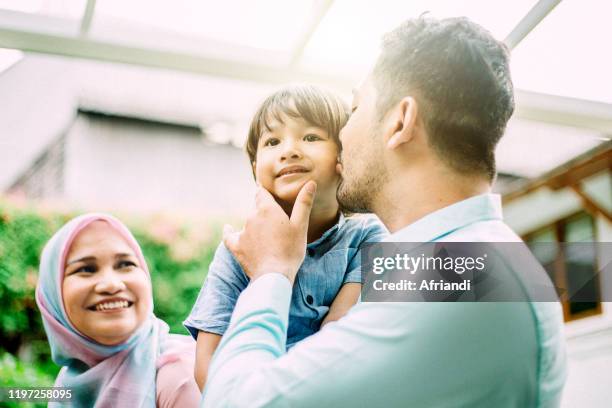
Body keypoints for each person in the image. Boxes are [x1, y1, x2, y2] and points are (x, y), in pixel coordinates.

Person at [202, 17, 567, 407]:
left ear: (400, 121)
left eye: (355, 110)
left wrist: (271, 273)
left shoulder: (464, 274)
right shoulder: (457, 262)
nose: (341, 135)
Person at [183, 85, 388, 390]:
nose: (289, 150)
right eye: (272, 141)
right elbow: (208, 362)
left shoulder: (366, 237)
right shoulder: (237, 250)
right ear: (255, 168)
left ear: (345, 155)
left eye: (311, 137)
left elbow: (338, 339)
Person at [36, 213, 201, 407]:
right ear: (53, 294)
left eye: (126, 264)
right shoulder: (69, 381)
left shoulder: (179, 376)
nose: (112, 285)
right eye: (86, 269)